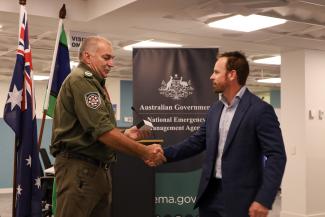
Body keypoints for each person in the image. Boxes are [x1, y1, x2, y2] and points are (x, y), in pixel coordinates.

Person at [50, 36, 165, 217]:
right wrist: (144, 151)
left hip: (95, 170)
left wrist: (126, 135)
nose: (111, 63)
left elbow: (95, 130)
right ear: (87, 57)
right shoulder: (82, 80)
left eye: (112, 58)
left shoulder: (95, 83)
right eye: (106, 57)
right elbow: (103, 132)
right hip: (80, 170)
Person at [163, 51, 286, 217]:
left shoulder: (260, 110)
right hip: (210, 195)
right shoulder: (215, 109)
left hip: (242, 199)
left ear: (232, 75)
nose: (211, 77)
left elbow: (276, 156)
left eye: (216, 72)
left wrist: (264, 199)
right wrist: (162, 154)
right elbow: (196, 142)